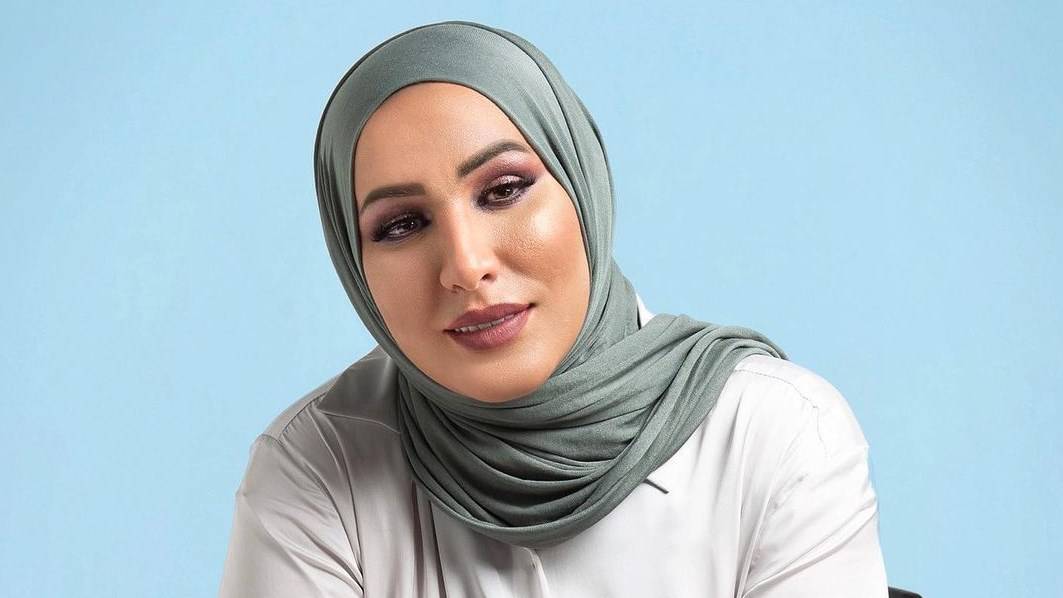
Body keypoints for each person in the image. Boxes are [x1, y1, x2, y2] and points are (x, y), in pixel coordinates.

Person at [219, 20, 889, 597]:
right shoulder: (316, 469)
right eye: (401, 225)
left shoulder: (778, 435)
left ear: (582, 182)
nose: (465, 265)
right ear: (352, 258)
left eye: (503, 189)